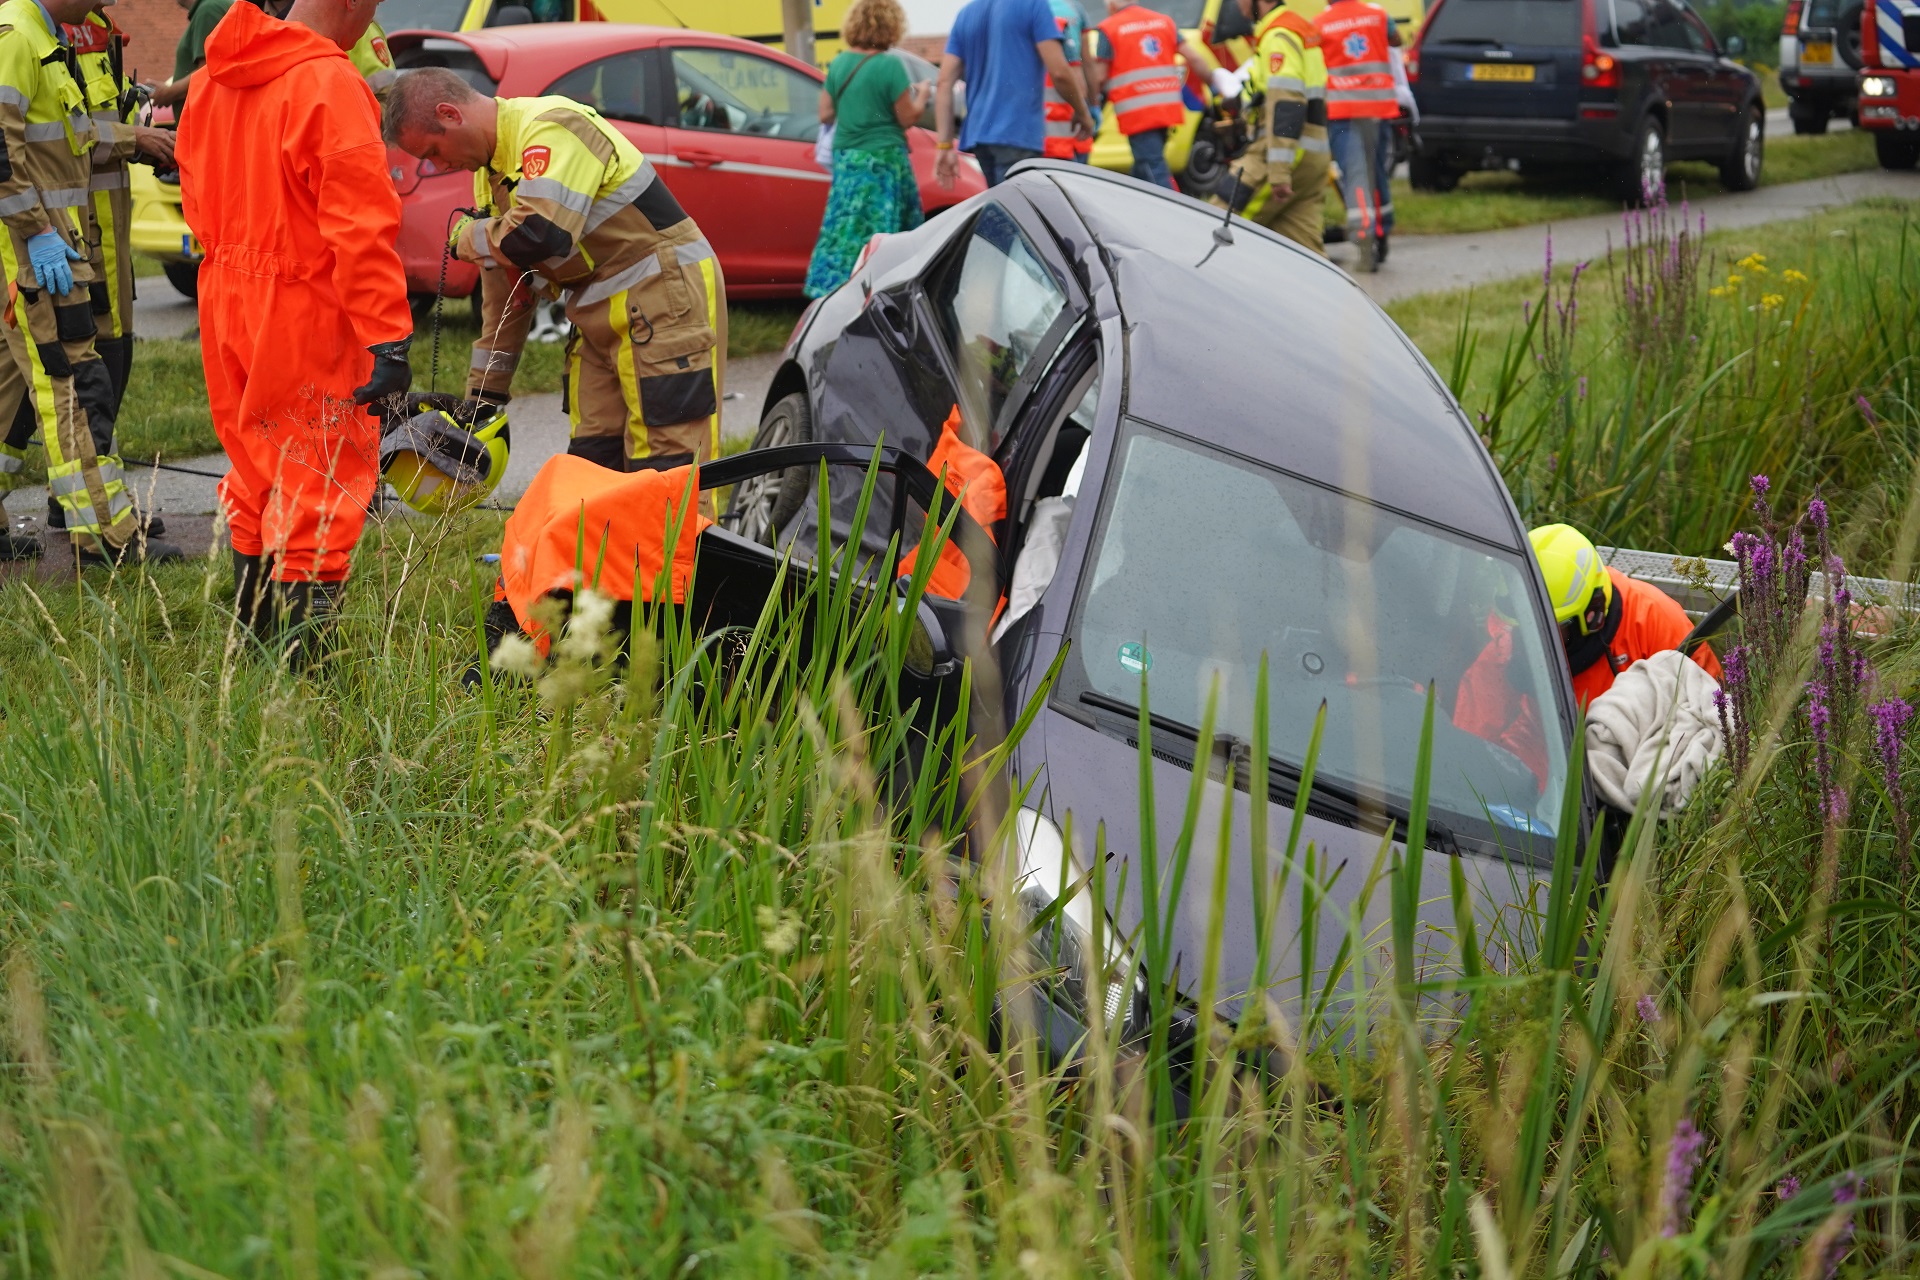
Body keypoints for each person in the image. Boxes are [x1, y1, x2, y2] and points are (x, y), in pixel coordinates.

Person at [177, 0, 413, 657]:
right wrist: (387, 338)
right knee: (320, 472)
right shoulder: (329, 82)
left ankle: (252, 650)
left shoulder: (210, 78)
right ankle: (304, 677)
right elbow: (361, 229)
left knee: (256, 465)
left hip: (225, 295)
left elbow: (194, 195)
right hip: (303, 305)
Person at [382, 69, 727, 481]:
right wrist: (481, 401)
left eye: (433, 151)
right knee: (592, 464)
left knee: (669, 467)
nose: (439, 165)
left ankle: (681, 549)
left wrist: (469, 237)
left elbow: (540, 235)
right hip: (597, 314)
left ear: (450, 113)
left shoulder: (554, 127)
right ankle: (608, 548)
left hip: (665, 298)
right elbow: (508, 298)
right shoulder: (488, 177)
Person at [0, 0, 179, 563]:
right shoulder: (18, 36)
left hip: (42, 248)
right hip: (34, 254)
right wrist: (37, 232)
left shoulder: (45, 37)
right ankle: (106, 533)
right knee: (73, 385)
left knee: (7, 393)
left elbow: (69, 138)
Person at [1453, 524, 1725, 785]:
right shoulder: (1508, 647)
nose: (1537, 638)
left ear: (1592, 615)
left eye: (1554, 628)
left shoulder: (1656, 622)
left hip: (1643, 769)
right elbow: (1467, 747)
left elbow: (1711, 712)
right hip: (1549, 761)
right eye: (1527, 623)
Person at [803, 0, 929, 299]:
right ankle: (884, 292)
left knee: (844, 227)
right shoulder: (890, 65)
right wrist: (922, 96)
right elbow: (907, 117)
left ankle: (829, 290)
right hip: (884, 160)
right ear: (891, 26)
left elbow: (824, 115)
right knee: (885, 231)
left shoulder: (840, 63)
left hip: (847, 160)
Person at [935, 0, 1095, 190]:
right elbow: (1060, 72)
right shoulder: (1034, 5)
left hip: (979, 137)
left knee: (1004, 210)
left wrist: (944, 146)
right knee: (1023, 214)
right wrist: (1083, 112)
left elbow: (944, 83)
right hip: (1016, 133)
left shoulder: (966, 14)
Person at [1219, 0, 1329, 253]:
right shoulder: (1295, 28)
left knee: (1218, 225)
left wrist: (1279, 171)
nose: (1237, 5)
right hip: (1310, 156)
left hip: (1283, 155)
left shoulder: (1278, 36)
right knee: (1304, 254)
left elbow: (1287, 104)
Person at [1087, 0, 1226, 190]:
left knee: (1153, 169)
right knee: (1143, 165)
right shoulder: (1163, 22)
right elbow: (1193, 58)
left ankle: (1172, 211)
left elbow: (1100, 76)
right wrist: (1215, 87)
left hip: (1137, 112)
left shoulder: (1109, 28)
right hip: (1166, 110)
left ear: (1110, 5)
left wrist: (1091, 105)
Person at [1314, 0, 1398, 272]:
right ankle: (1382, 231)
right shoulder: (1378, 15)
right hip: (1377, 107)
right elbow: (1396, 40)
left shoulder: (1320, 24)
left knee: (1355, 173)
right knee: (1376, 171)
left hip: (1343, 110)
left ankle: (1365, 239)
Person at [148, 0, 233, 109]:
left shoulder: (209, 10)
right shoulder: (209, 8)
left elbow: (209, 72)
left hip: (204, 120)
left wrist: (169, 92)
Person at [1042, 0, 1091, 163]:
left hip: (1037, 131)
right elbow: (1080, 68)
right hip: (1066, 122)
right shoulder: (1069, 15)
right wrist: (1087, 108)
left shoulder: (1015, 18)